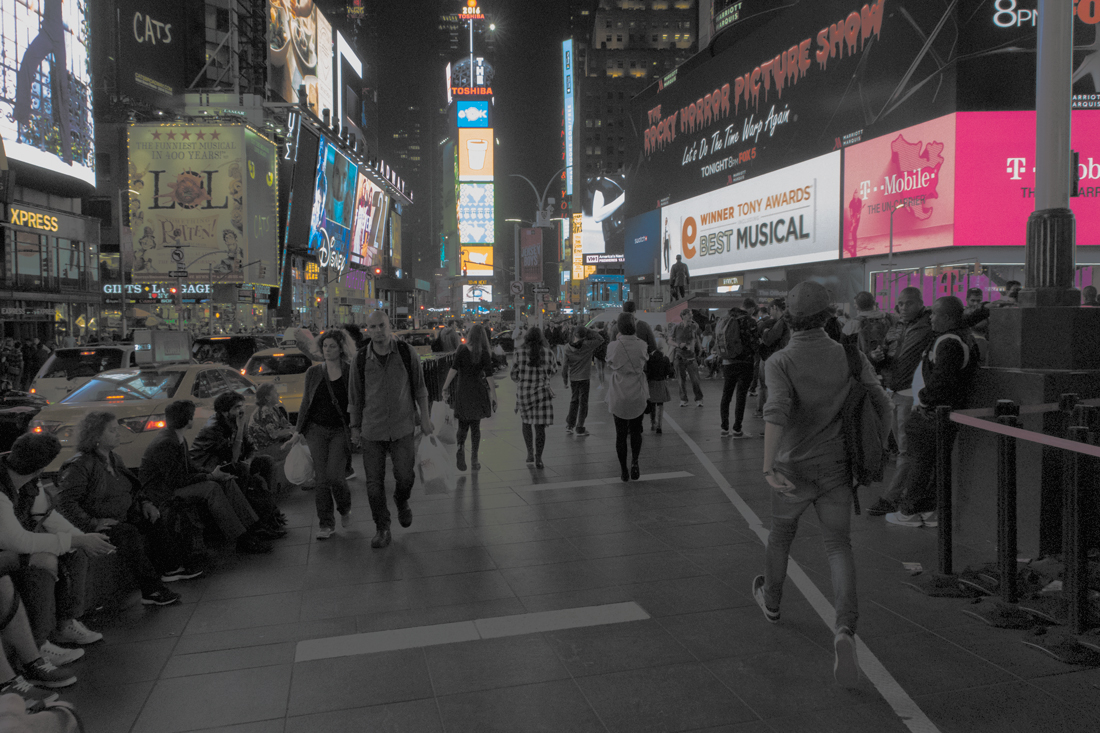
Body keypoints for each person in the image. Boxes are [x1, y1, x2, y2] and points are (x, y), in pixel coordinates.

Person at [754, 281, 891, 688]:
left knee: (781, 537)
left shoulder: (779, 361)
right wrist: (879, 447)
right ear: (829, 316)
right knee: (838, 547)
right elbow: (880, 403)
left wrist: (767, 467)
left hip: (791, 470)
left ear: (788, 319)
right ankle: (845, 629)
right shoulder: (849, 354)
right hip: (836, 470)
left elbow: (776, 412)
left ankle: (773, 603)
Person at [0, 434, 117, 683]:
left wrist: (84, 540)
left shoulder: (27, 481)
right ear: (42, 467)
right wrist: (76, 540)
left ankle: (65, 624)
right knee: (44, 560)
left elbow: (48, 517)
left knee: (74, 551)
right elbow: (16, 541)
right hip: (6, 549)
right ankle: (38, 645)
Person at [55, 413, 186, 608]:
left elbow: (132, 489)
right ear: (96, 436)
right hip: (99, 524)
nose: (118, 434)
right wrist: (94, 523)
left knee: (154, 517)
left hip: (123, 515)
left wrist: (145, 503)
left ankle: (171, 568)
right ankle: (151, 590)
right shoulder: (80, 465)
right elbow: (65, 503)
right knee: (128, 533)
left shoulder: (115, 458)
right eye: (112, 430)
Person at [885, 296, 978, 527]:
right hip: (940, 413)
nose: (931, 319)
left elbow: (942, 381)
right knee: (932, 464)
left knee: (921, 464)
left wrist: (923, 401)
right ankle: (927, 508)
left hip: (932, 414)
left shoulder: (949, 342)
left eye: (935, 314)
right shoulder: (958, 338)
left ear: (947, 317)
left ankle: (909, 511)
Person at [139, 401, 275, 555]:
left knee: (226, 481)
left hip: (174, 484)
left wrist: (215, 474)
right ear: (188, 419)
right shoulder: (166, 443)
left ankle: (253, 527)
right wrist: (210, 476)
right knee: (212, 488)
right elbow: (175, 480)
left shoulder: (176, 437)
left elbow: (190, 467)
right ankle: (241, 538)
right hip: (163, 491)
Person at [350, 311, 434, 550]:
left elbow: (420, 389)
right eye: (373, 327)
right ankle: (382, 527)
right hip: (372, 429)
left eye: (381, 326)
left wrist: (425, 419)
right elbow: (354, 397)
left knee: (406, 477)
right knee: (374, 484)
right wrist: (354, 427)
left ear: (390, 326)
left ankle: (401, 500)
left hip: (402, 426)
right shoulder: (360, 359)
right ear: (367, 329)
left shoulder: (407, 353)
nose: (377, 331)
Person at [864, 288, 932, 516]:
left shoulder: (928, 325)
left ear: (921, 303)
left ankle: (891, 498)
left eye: (909, 303)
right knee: (902, 449)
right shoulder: (895, 328)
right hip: (893, 392)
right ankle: (905, 494)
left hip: (910, 394)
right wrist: (877, 356)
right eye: (900, 304)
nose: (903, 308)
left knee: (905, 451)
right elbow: (883, 352)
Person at [290, 329, 357, 540]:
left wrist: (357, 428)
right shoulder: (314, 373)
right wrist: (297, 431)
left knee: (336, 477)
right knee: (321, 479)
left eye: (332, 346)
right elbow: (305, 403)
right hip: (316, 430)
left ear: (341, 349)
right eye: (325, 346)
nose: (327, 350)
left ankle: (345, 508)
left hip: (340, 430)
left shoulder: (350, 372)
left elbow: (356, 402)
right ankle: (326, 524)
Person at [190, 394, 286, 534]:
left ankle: (269, 513)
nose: (242, 410)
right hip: (209, 467)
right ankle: (253, 525)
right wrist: (240, 430)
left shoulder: (237, 420)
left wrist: (249, 459)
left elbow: (251, 447)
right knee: (241, 470)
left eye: (242, 406)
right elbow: (232, 459)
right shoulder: (213, 428)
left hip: (230, 463)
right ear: (224, 411)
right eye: (237, 407)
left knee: (267, 461)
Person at [441, 324, 498, 471]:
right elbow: (490, 376)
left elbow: (453, 370)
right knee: (475, 427)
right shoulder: (484, 352)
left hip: (463, 391)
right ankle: (474, 459)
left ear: (470, 335)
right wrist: (494, 396)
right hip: (478, 391)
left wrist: (445, 387)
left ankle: (460, 447)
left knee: (462, 424)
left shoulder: (461, 349)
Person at [606, 313, 649, 482]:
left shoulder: (613, 346)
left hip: (619, 393)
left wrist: (617, 339)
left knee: (620, 434)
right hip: (637, 392)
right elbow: (645, 359)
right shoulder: (642, 345)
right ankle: (635, 462)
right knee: (636, 431)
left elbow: (609, 363)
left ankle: (623, 470)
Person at [510, 327, 559, 469]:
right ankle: (539, 458)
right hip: (542, 394)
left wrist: (522, 379)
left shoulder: (518, 352)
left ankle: (529, 453)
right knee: (540, 427)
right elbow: (554, 370)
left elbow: (513, 374)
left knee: (526, 423)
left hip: (524, 393)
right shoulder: (548, 353)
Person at [715, 300, 758, 438]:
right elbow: (754, 342)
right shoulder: (749, 321)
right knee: (741, 396)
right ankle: (737, 429)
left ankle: (724, 428)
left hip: (727, 361)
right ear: (750, 309)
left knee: (726, 394)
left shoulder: (726, 318)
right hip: (745, 362)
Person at [245, 384, 295, 491]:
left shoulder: (274, 409)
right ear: (267, 397)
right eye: (275, 392)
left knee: (300, 440)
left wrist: (294, 430)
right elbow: (274, 434)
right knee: (298, 445)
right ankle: (306, 477)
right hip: (264, 449)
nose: (278, 394)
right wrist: (292, 432)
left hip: (273, 444)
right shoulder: (264, 412)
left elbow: (286, 425)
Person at [562, 326, 604, 437]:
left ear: (574, 335)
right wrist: (589, 330)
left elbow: (565, 367)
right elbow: (601, 339)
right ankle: (580, 427)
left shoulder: (567, 348)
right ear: (584, 336)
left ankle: (570, 425)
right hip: (585, 378)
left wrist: (565, 380)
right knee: (583, 403)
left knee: (574, 400)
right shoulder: (588, 345)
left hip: (573, 379)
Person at [756, 298, 791, 417]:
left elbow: (768, 339)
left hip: (775, 358)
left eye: (770, 310)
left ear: (775, 308)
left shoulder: (781, 322)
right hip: (781, 357)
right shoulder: (787, 321)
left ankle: (770, 415)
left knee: (770, 388)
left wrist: (765, 330)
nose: (770, 314)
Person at [841, 291, 895, 366]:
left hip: (865, 366)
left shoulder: (852, 325)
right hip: (888, 364)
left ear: (857, 306)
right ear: (873, 303)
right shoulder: (889, 318)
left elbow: (844, 349)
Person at [670, 309, 704, 407]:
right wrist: (678, 345)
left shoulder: (694, 327)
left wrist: (700, 348)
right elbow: (669, 341)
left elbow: (697, 338)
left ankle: (699, 399)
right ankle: (683, 399)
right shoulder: (676, 327)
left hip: (691, 358)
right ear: (683, 316)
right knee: (681, 380)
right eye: (689, 314)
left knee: (695, 380)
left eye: (691, 314)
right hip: (679, 357)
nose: (691, 316)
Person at [644, 337, 674, 434]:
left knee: (652, 404)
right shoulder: (665, 359)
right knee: (660, 404)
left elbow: (647, 372)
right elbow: (669, 372)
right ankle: (659, 426)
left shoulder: (649, 359)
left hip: (651, 383)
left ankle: (653, 422)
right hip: (661, 382)